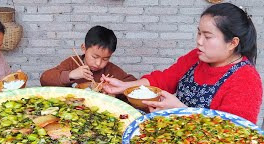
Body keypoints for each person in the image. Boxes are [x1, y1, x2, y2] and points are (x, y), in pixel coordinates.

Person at [101, 3, 262, 124]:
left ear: (232, 43)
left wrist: (182, 112)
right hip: (175, 129)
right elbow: (164, 80)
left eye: (207, 36)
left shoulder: (246, 81)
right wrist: (125, 87)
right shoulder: (197, 57)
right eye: (199, 33)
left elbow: (234, 135)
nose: (199, 41)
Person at [40, 25, 136, 88]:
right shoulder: (72, 63)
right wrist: (71, 75)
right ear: (84, 48)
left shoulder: (111, 70)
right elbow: (44, 80)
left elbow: (134, 85)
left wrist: (116, 92)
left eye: (105, 59)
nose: (98, 63)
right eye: (94, 57)